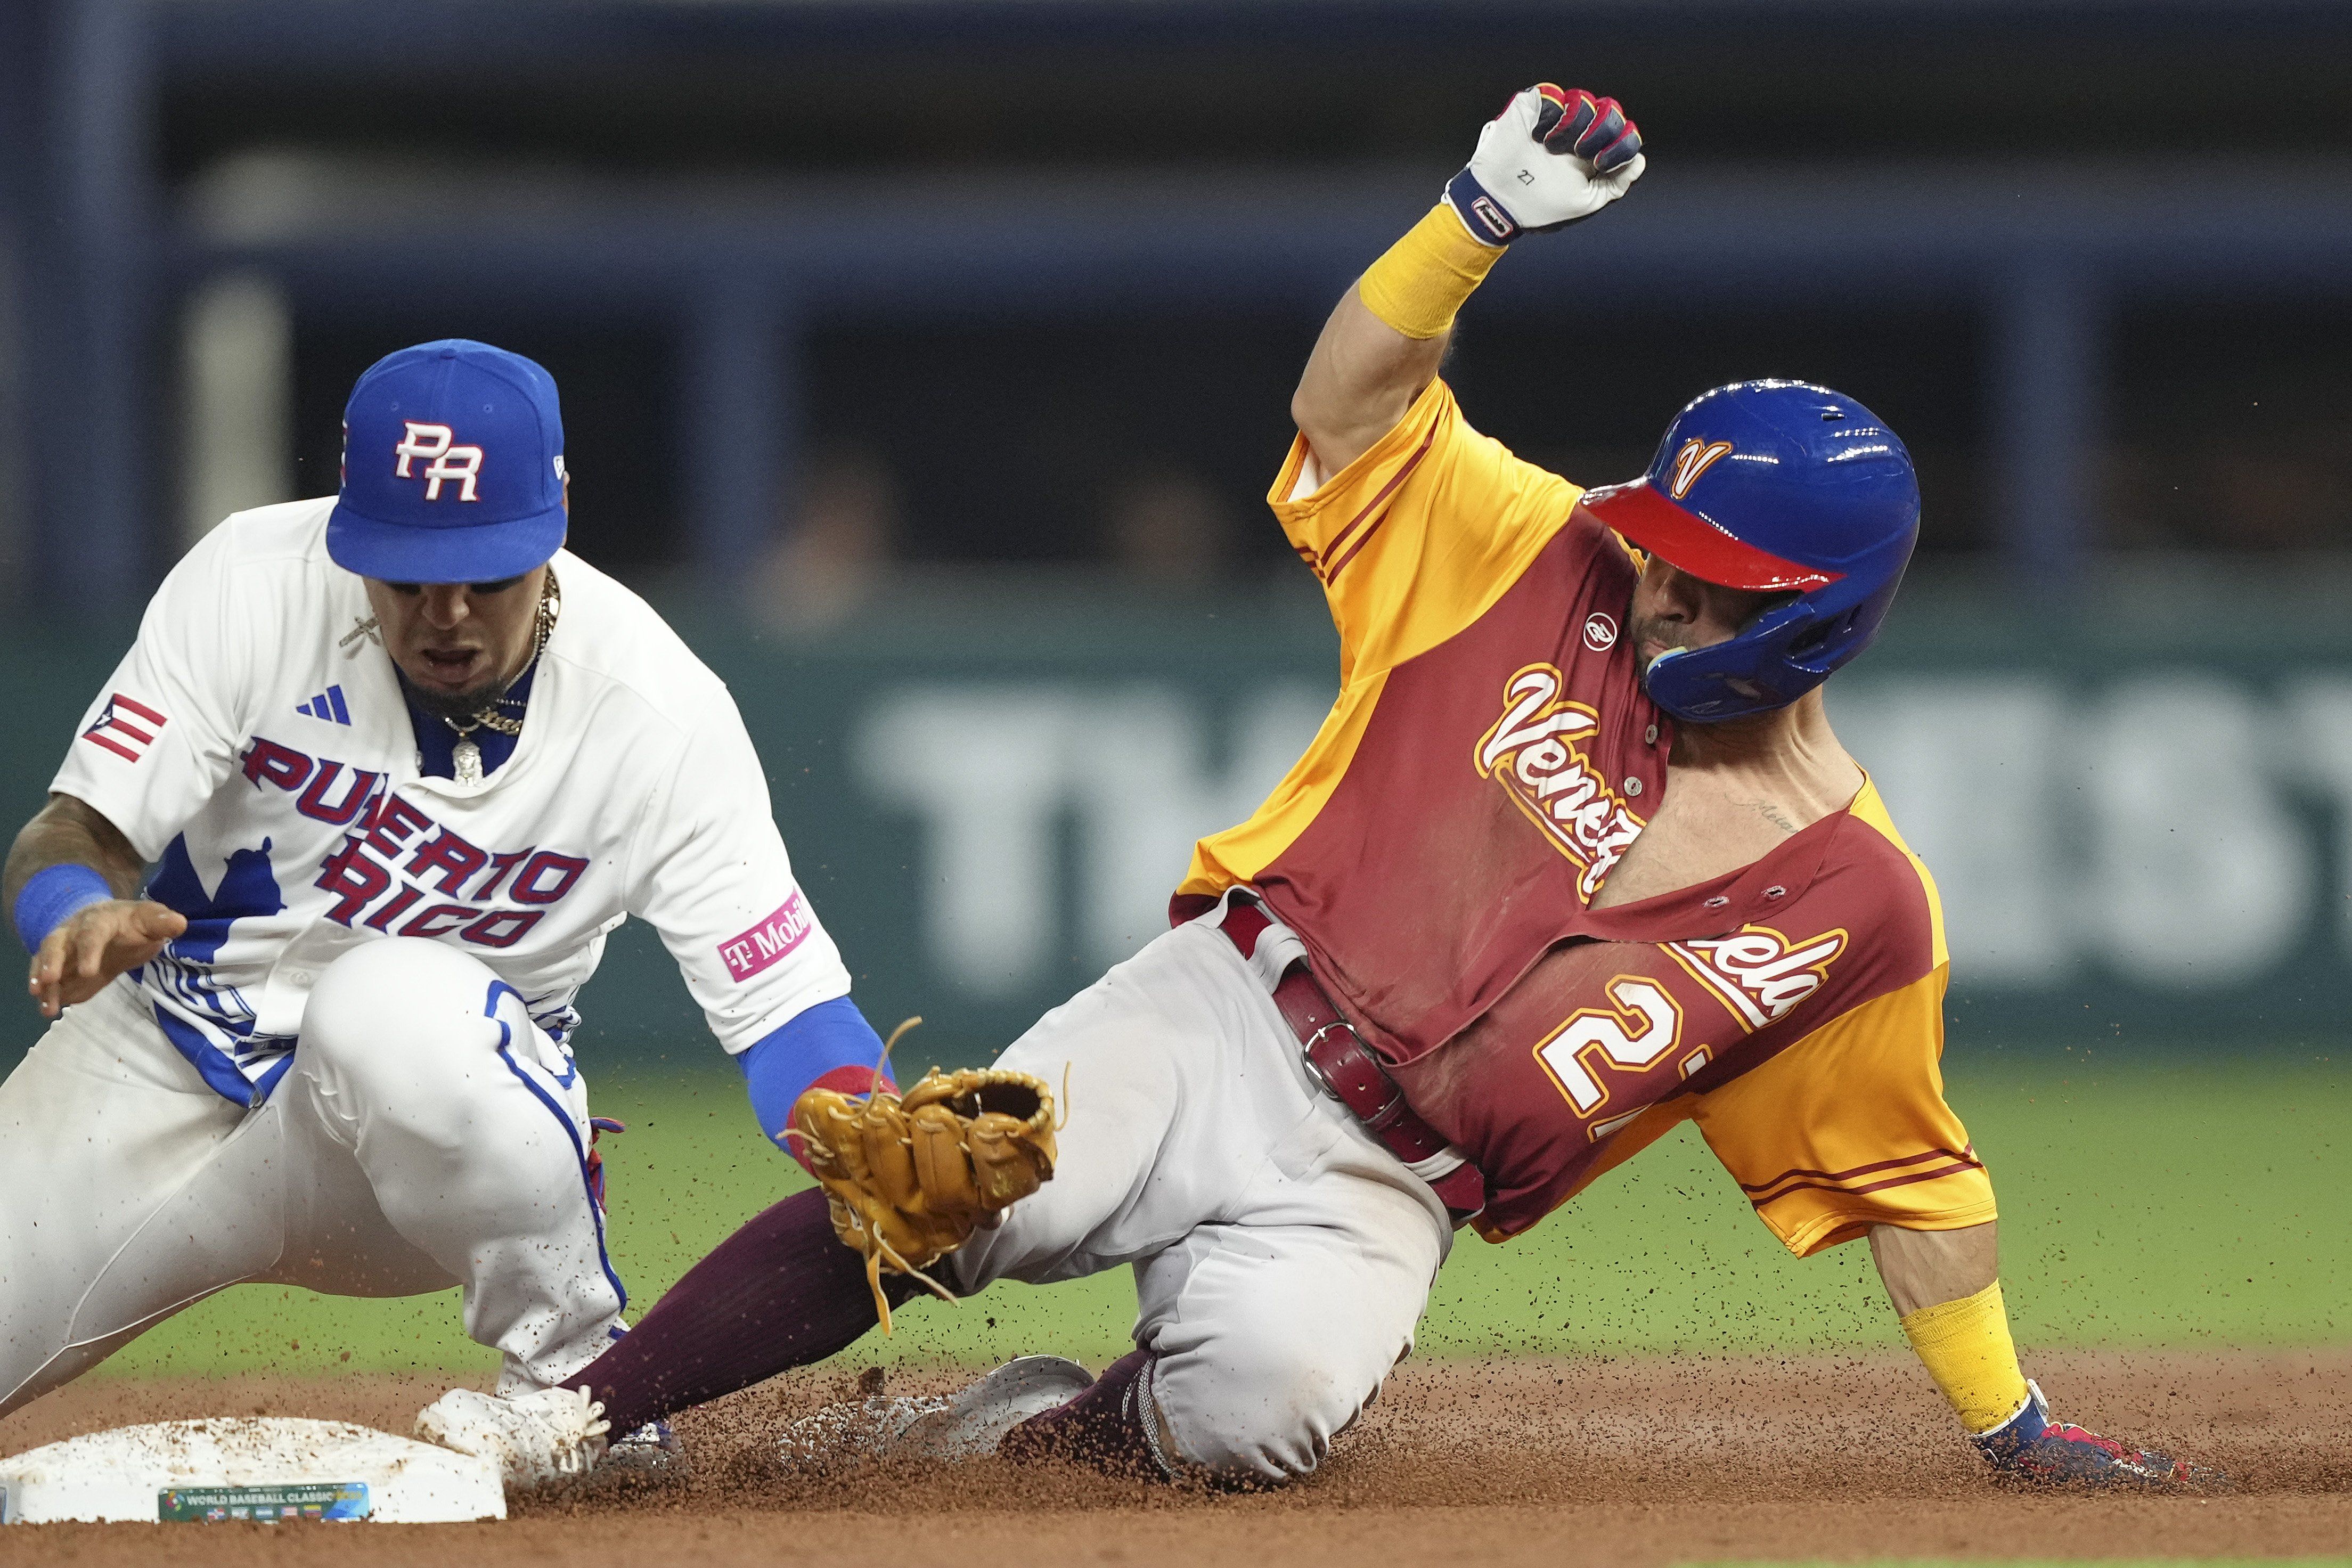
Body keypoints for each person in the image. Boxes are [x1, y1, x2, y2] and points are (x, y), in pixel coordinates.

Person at [424, 85, 2212, 1492]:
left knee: (1253, 1419)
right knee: (951, 1180)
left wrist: (2010, 1427)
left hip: (1392, 1183)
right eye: (1664, 544)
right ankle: (579, 1413)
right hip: (1228, 1008)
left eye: (1710, 576)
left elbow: (1914, 1181)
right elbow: (1348, 402)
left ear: (1818, 620)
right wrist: (1474, 223)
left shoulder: (1852, 905)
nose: (1658, 583)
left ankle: (1062, 1430)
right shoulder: (1538, 552)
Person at [0, 340, 897, 1463]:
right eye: (410, 576)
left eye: (485, 574)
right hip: (151, 1064)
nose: (448, 614)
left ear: (556, 519)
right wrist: (70, 907)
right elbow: (70, 830)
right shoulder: (251, 582)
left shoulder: (659, 711)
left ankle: (579, 1384)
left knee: (391, 999)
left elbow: (786, 1011)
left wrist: (877, 1129)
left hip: (414, 1142)